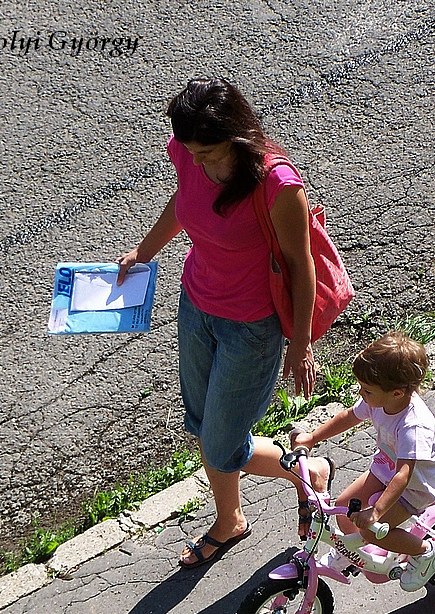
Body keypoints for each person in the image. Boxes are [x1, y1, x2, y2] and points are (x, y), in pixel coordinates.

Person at [118, 78, 334, 567]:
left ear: (238, 138)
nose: (202, 164)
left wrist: (300, 345)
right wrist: (145, 252)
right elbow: (184, 203)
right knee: (202, 424)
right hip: (196, 305)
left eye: (212, 153)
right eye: (193, 153)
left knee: (219, 440)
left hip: (251, 329)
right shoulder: (189, 154)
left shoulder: (278, 186)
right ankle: (231, 517)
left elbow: (302, 267)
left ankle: (309, 469)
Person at [289, 332, 435, 591]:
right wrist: (312, 438)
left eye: (367, 390)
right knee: (343, 507)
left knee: (372, 531)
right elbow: (349, 416)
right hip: (384, 468)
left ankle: (426, 552)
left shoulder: (414, 425)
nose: (362, 395)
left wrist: (376, 512)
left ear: (396, 393)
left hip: (414, 488)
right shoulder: (377, 401)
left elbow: (403, 476)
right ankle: (349, 553)